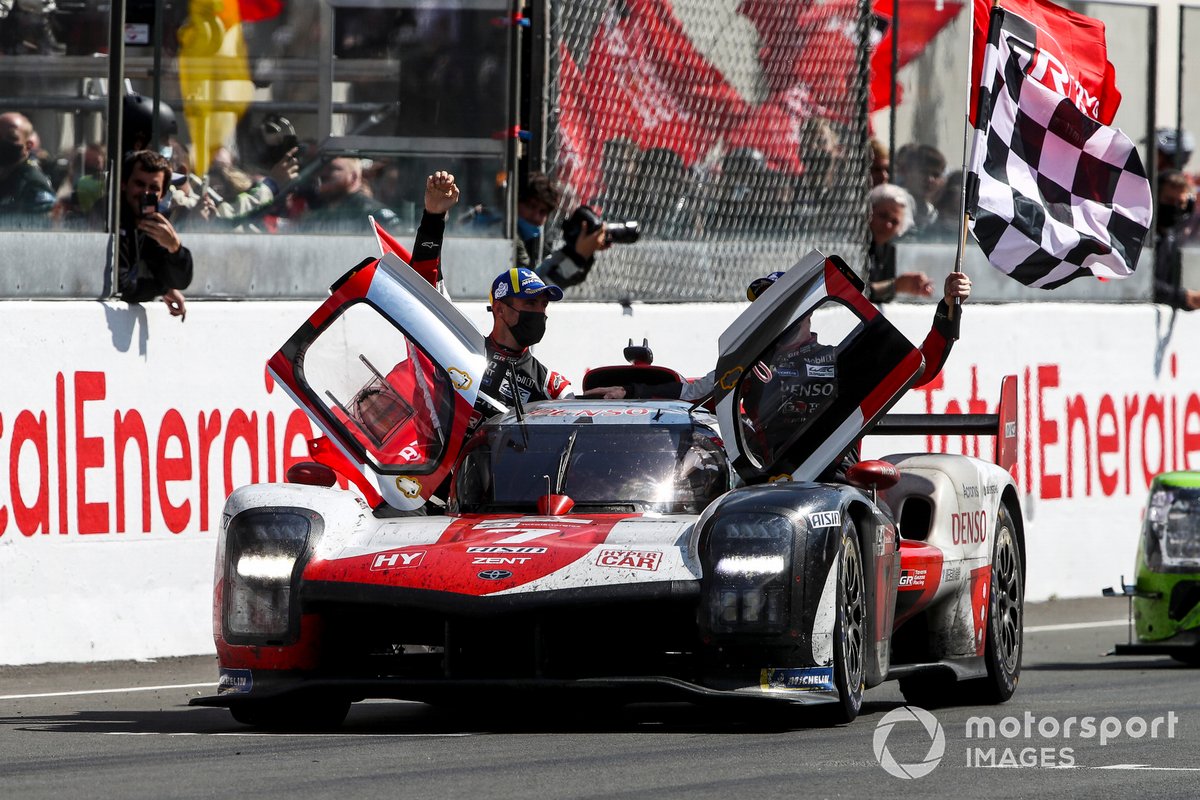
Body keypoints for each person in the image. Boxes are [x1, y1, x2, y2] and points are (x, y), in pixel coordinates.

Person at [411, 170, 621, 407]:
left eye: (544, 304)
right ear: (499, 309)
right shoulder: (463, 351)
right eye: (530, 303)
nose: (539, 313)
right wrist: (433, 217)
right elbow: (422, 288)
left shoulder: (548, 383)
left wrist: (611, 400)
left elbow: (572, 407)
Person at [116, 150, 193, 319]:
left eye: (153, 188)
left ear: (162, 195)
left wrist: (175, 248)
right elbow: (122, 287)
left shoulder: (151, 222)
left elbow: (180, 281)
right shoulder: (112, 218)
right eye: (139, 184)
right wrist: (162, 288)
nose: (145, 194)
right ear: (124, 184)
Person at [866, 183, 934, 302]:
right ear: (869, 212)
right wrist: (895, 286)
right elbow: (855, 293)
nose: (887, 225)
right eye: (882, 215)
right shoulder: (857, 246)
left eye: (894, 221)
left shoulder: (889, 250)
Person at [297, 156, 401, 233]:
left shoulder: (376, 215)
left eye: (333, 169)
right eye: (322, 169)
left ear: (354, 176)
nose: (323, 174)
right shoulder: (318, 215)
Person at [1153, 169, 1200, 311]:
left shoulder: (1171, 240)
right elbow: (1137, 282)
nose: (1174, 207)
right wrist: (1184, 297)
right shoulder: (1140, 236)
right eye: (1168, 200)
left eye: (1180, 204)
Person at [0, 111, 55, 228]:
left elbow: (38, 231)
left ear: (28, 145)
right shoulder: (5, 176)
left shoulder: (33, 184)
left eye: (11, 137)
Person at [894, 142, 946, 236]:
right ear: (908, 171)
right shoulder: (894, 202)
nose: (930, 179)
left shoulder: (930, 212)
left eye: (936, 175)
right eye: (924, 172)